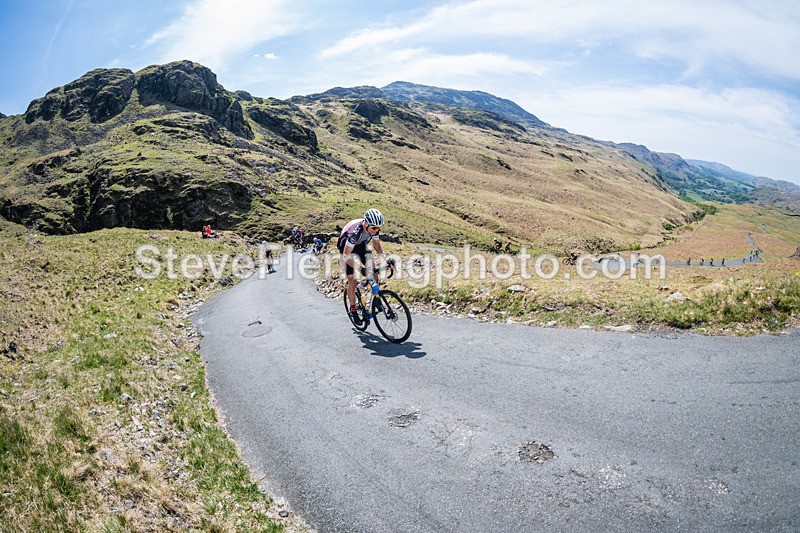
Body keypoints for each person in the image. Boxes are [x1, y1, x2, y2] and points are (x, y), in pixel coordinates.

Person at [338, 208, 391, 325]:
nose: (376, 230)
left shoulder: (373, 229)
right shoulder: (355, 232)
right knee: (352, 280)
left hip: (361, 245)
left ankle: (375, 298)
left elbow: (376, 245)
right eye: (374, 228)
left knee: (374, 269)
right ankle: (353, 309)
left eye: (379, 228)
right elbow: (347, 255)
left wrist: (386, 260)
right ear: (366, 223)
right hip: (346, 250)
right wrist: (361, 269)